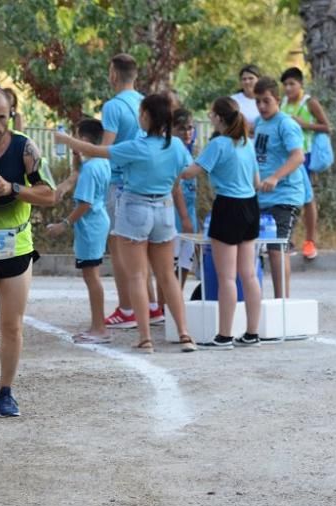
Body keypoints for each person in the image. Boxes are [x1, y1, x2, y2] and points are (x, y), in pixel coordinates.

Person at [55, 93, 199, 354]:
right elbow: (187, 171)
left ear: (146, 116)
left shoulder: (136, 146)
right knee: (168, 276)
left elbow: (96, 150)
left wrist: (67, 140)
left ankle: (146, 339)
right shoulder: (177, 146)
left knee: (137, 275)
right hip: (165, 209)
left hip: (135, 208)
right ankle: (185, 334)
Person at [0, 87, 57, 416]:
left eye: (1, 117)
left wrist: (13, 189)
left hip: (16, 246)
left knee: (12, 326)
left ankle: (5, 390)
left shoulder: (24, 148)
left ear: (11, 113)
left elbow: (50, 195)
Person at [180, 97, 262, 349]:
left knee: (226, 277)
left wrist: (177, 159)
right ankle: (252, 332)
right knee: (248, 275)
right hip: (250, 205)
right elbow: (257, 181)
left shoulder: (218, 144)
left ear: (218, 118)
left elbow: (189, 172)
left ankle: (224, 334)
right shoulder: (246, 143)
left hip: (227, 206)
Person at [100, 54, 159, 330]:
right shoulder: (144, 103)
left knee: (120, 249)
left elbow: (106, 147)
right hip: (141, 181)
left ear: (113, 74)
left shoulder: (113, 106)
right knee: (140, 250)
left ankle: (127, 309)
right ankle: (150, 305)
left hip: (117, 181)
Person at [48, 119, 112, 345]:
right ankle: (97, 326)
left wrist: (62, 224)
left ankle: (99, 328)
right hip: (97, 223)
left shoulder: (92, 168)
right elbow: (80, 173)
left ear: (83, 140)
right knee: (90, 275)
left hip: (91, 225)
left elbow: (84, 204)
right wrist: (76, 158)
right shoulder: (100, 162)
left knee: (91, 276)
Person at [253, 76, 305, 299]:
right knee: (256, 250)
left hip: (285, 196)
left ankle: (281, 303)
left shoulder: (286, 124)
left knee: (277, 248)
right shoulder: (259, 123)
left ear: (277, 99)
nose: (262, 107)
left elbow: (297, 156)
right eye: (258, 102)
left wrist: (275, 177)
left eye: (266, 101)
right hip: (261, 197)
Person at [281, 66, 332, 261]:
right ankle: (289, 239)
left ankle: (310, 241)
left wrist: (305, 125)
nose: (288, 88)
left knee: (307, 198)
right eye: (285, 84)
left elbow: (327, 127)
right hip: (287, 157)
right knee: (288, 198)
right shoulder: (283, 102)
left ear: (300, 84)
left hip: (306, 155)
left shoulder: (310, 102)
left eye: (292, 84)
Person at [171, 108, 198, 288]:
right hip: (175, 216)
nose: (187, 133)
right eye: (182, 129)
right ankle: (164, 306)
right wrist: (184, 218)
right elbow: (175, 187)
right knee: (169, 266)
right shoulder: (173, 149)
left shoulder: (187, 150)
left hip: (190, 213)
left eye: (190, 128)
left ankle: (175, 302)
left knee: (185, 262)